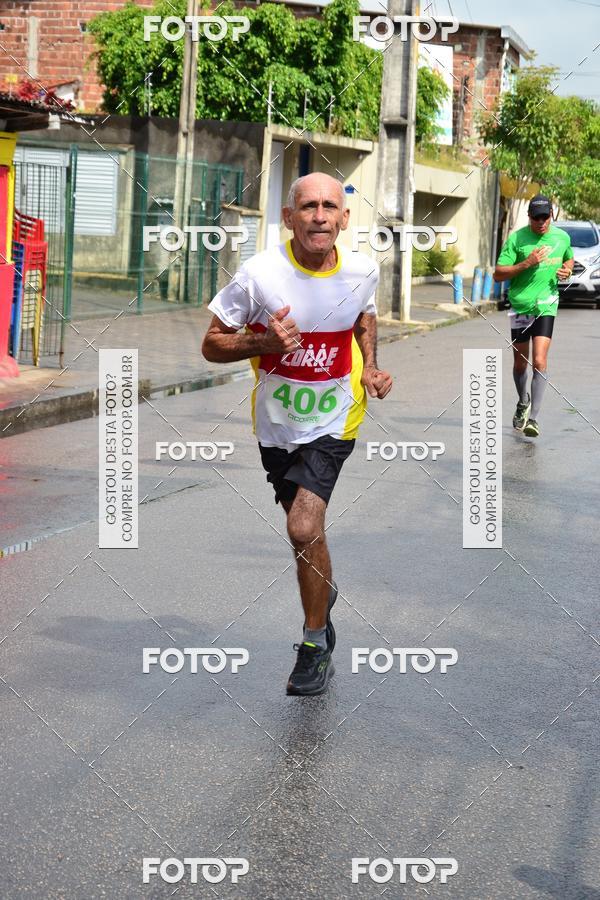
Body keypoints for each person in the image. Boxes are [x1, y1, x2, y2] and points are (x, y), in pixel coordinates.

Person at [202, 172, 392, 695]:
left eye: (331, 206)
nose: (320, 216)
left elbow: (364, 318)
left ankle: (314, 645)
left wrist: (371, 367)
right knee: (307, 534)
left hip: (337, 417)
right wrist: (262, 340)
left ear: (344, 218)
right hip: (277, 426)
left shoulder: (360, 270)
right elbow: (212, 344)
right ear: (290, 217)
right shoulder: (260, 274)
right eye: (308, 206)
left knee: (304, 527)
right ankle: (321, 592)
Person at [494, 194, 573, 438]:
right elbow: (498, 274)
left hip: (546, 305)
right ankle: (523, 400)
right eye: (536, 217)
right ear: (529, 217)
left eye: (545, 217)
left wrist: (567, 270)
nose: (541, 222)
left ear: (551, 216)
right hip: (520, 306)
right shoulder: (517, 239)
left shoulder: (561, 237)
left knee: (539, 361)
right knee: (520, 363)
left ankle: (534, 420)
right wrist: (526, 263)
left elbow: (569, 257)